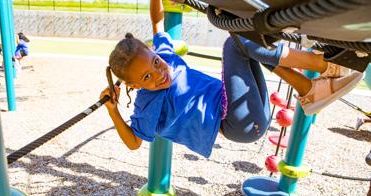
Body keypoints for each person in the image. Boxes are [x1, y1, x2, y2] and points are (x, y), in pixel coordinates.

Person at [99, 0, 363, 158]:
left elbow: (157, 25)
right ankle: (323, 63)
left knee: (247, 44)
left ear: (155, 53)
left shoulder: (165, 57)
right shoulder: (147, 103)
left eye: (155, 62)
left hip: (253, 112)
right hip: (237, 125)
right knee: (235, 43)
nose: (159, 73)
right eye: (147, 76)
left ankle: (307, 87)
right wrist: (113, 111)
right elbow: (134, 142)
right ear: (134, 86)